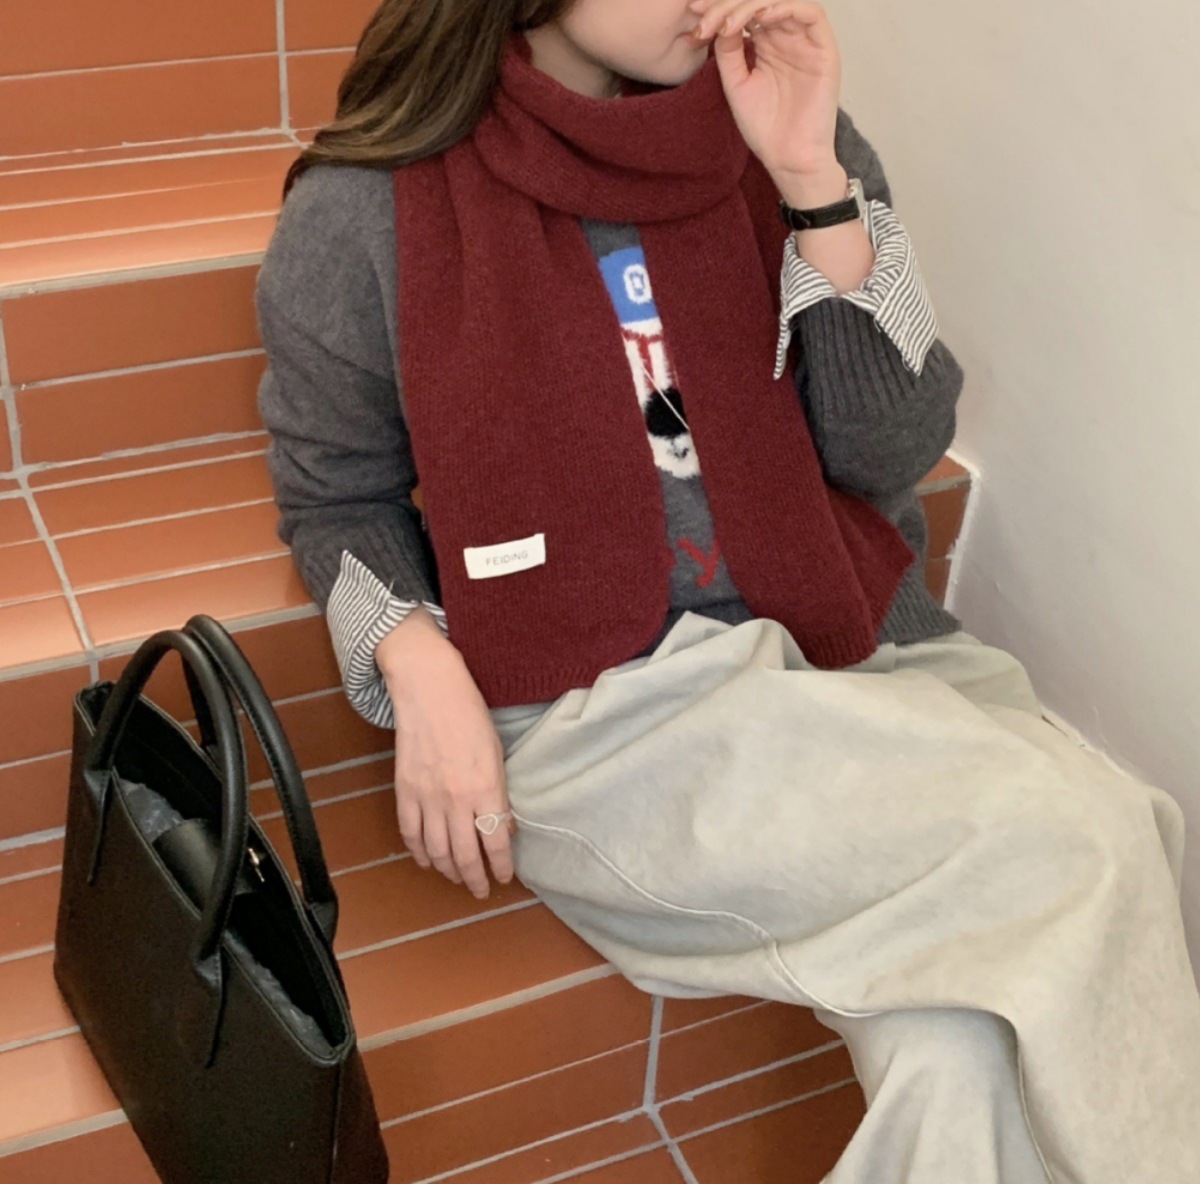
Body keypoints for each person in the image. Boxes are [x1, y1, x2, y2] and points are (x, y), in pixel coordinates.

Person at [253, 2, 1200, 1181]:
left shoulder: (785, 132)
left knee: (959, 1046)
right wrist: (417, 658)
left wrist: (812, 183)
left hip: (846, 643)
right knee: (1094, 842)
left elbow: (888, 450)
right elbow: (334, 498)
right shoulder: (367, 208)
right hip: (610, 711)